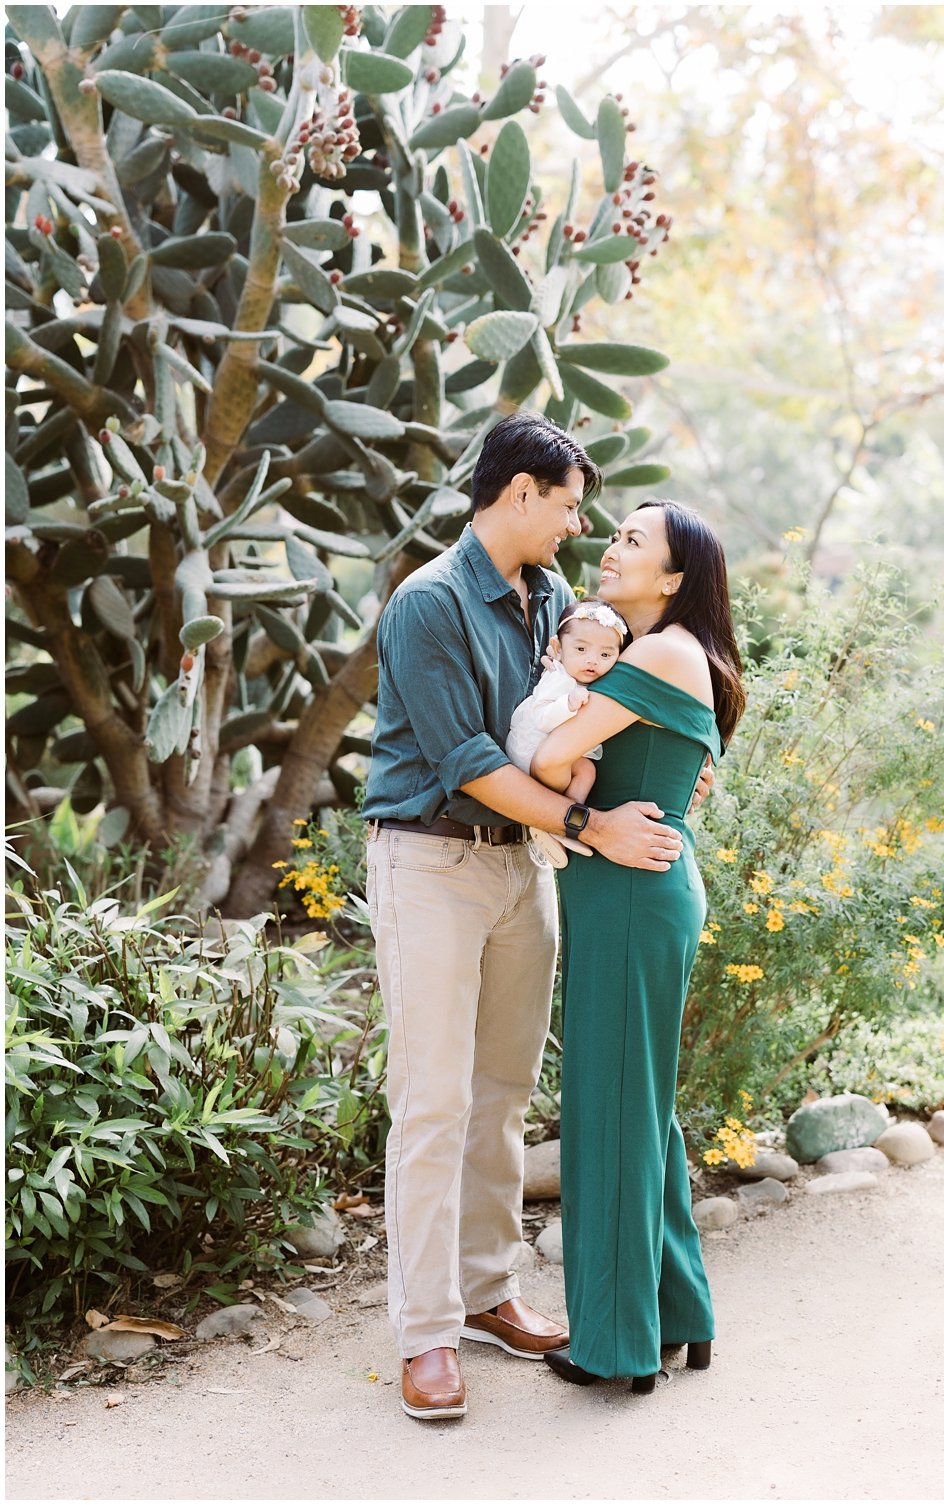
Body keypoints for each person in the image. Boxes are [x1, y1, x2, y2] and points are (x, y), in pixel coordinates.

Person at [361, 413, 709, 1422]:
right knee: (432, 1098)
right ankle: (426, 1330)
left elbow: (581, 711)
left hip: (522, 866)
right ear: (518, 493)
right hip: (430, 859)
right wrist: (589, 823)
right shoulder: (426, 603)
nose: (575, 524)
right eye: (565, 503)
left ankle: (487, 1289)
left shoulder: (555, 599)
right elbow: (468, 757)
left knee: (504, 1090)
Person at [530, 499, 746, 1394]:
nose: (610, 547)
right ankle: (677, 1312)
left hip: (628, 890)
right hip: (639, 890)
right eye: (612, 531)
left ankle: (614, 1344)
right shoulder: (667, 652)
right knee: (639, 1105)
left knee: (609, 1109)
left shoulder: (658, 650)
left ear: (673, 578)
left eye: (631, 540)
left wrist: (557, 731)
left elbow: (549, 758)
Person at [505, 597, 632, 866]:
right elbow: (541, 718)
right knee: (585, 770)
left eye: (606, 655)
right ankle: (559, 820)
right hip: (529, 750)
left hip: (548, 750)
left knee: (587, 771)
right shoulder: (559, 679)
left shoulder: (580, 679)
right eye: (581, 649)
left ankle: (561, 820)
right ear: (557, 648)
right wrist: (568, 704)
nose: (593, 660)